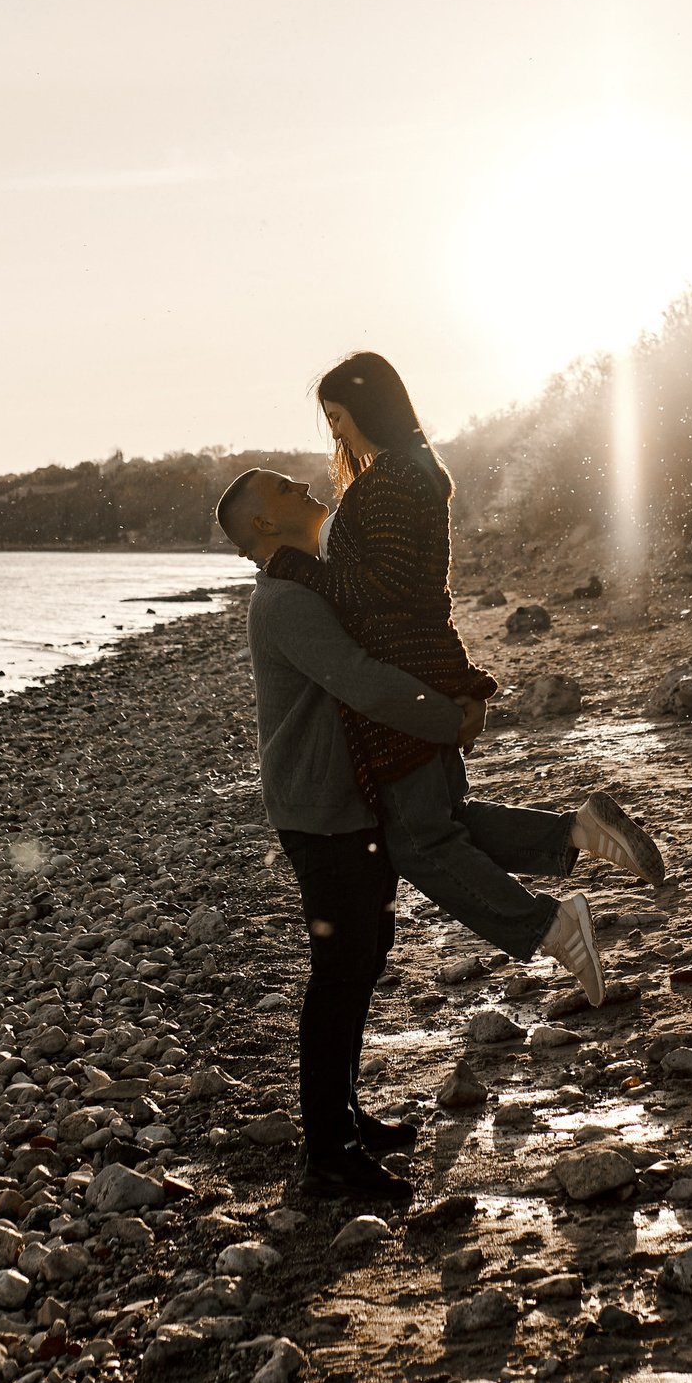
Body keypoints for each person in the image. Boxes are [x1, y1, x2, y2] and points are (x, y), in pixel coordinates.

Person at [226, 351, 666, 1003]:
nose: (335, 435)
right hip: (423, 671)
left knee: (420, 844)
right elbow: (395, 592)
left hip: (408, 682)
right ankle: (578, 831)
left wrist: (294, 568)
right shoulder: (408, 477)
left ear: (365, 408)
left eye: (338, 417)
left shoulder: (389, 483)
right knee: (443, 821)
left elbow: (380, 590)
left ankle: (551, 923)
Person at [228, 501, 476, 1204]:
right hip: (320, 812)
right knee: (340, 970)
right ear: (261, 521)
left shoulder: (313, 585)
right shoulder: (285, 601)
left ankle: (340, 1116)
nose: (303, 487)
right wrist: (448, 717)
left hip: (347, 802)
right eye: (281, 487)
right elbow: (361, 677)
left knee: (367, 953)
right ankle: (327, 1157)